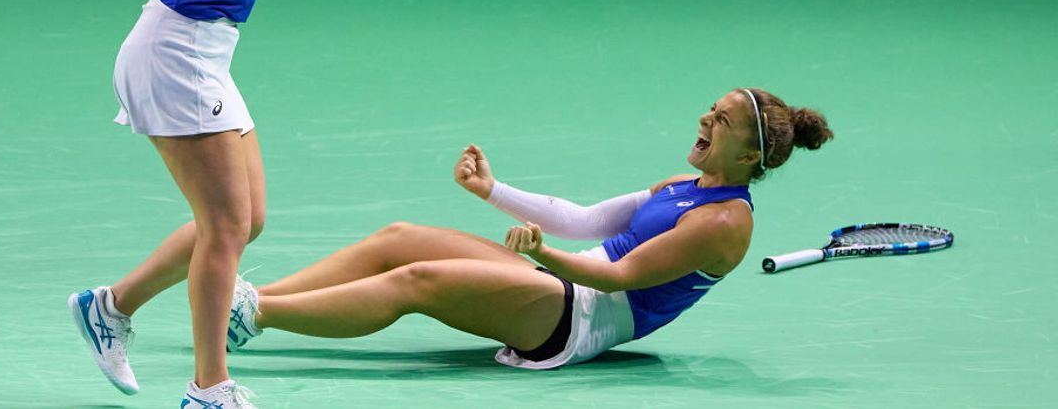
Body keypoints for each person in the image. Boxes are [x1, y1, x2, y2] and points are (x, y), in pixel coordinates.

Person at [68, 0, 346, 409]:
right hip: (175, 56)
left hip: (200, 55)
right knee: (224, 226)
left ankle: (109, 306)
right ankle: (208, 389)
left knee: (246, 219)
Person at [230, 88, 833, 369]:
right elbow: (588, 221)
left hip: (578, 320)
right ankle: (258, 297)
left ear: (750, 156)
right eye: (711, 108)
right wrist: (493, 191)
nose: (704, 117)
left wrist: (546, 253)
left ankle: (256, 318)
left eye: (721, 120)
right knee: (399, 237)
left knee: (417, 280)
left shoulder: (726, 222)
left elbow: (618, 273)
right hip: (561, 287)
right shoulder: (684, 185)